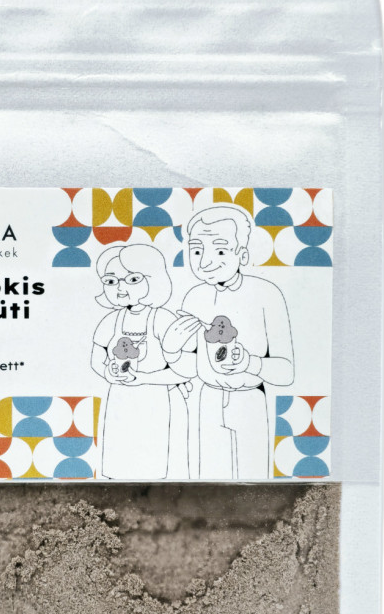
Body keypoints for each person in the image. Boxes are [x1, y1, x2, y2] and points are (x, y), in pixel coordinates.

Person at [163, 205, 294, 479]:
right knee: (206, 480)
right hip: (207, 400)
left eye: (220, 251)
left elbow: (286, 372)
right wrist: (171, 351)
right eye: (196, 251)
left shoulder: (267, 294)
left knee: (254, 480)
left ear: (242, 255)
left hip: (249, 400)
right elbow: (191, 367)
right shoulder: (193, 297)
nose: (205, 262)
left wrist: (250, 363)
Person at [91, 243, 189, 480]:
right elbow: (97, 357)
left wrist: (144, 378)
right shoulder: (111, 320)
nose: (120, 288)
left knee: (154, 465)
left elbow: (184, 370)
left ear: (153, 279)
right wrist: (107, 372)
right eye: (111, 281)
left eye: (132, 279)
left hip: (157, 400)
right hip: (120, 400)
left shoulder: (162, 318)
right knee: (119, 463)